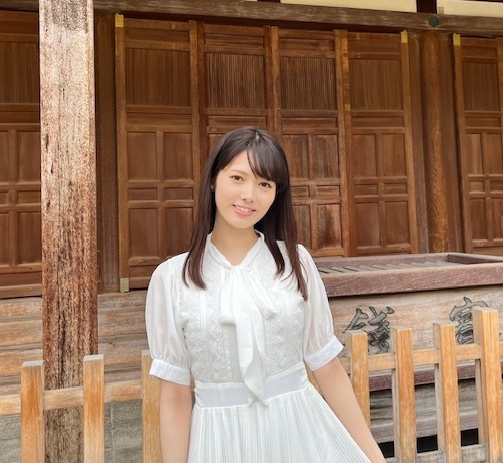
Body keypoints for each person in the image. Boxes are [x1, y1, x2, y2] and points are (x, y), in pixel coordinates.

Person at [145, 127, 387, 463]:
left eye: (264, 184)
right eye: (238, 178)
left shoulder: (296, 262)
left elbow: (327, 368)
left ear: (276, 195)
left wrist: (375, 458)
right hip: (218, 442)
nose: (249, 195)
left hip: (299, 434)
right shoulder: (172, 278)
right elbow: (173, 395)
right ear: (214, 179)